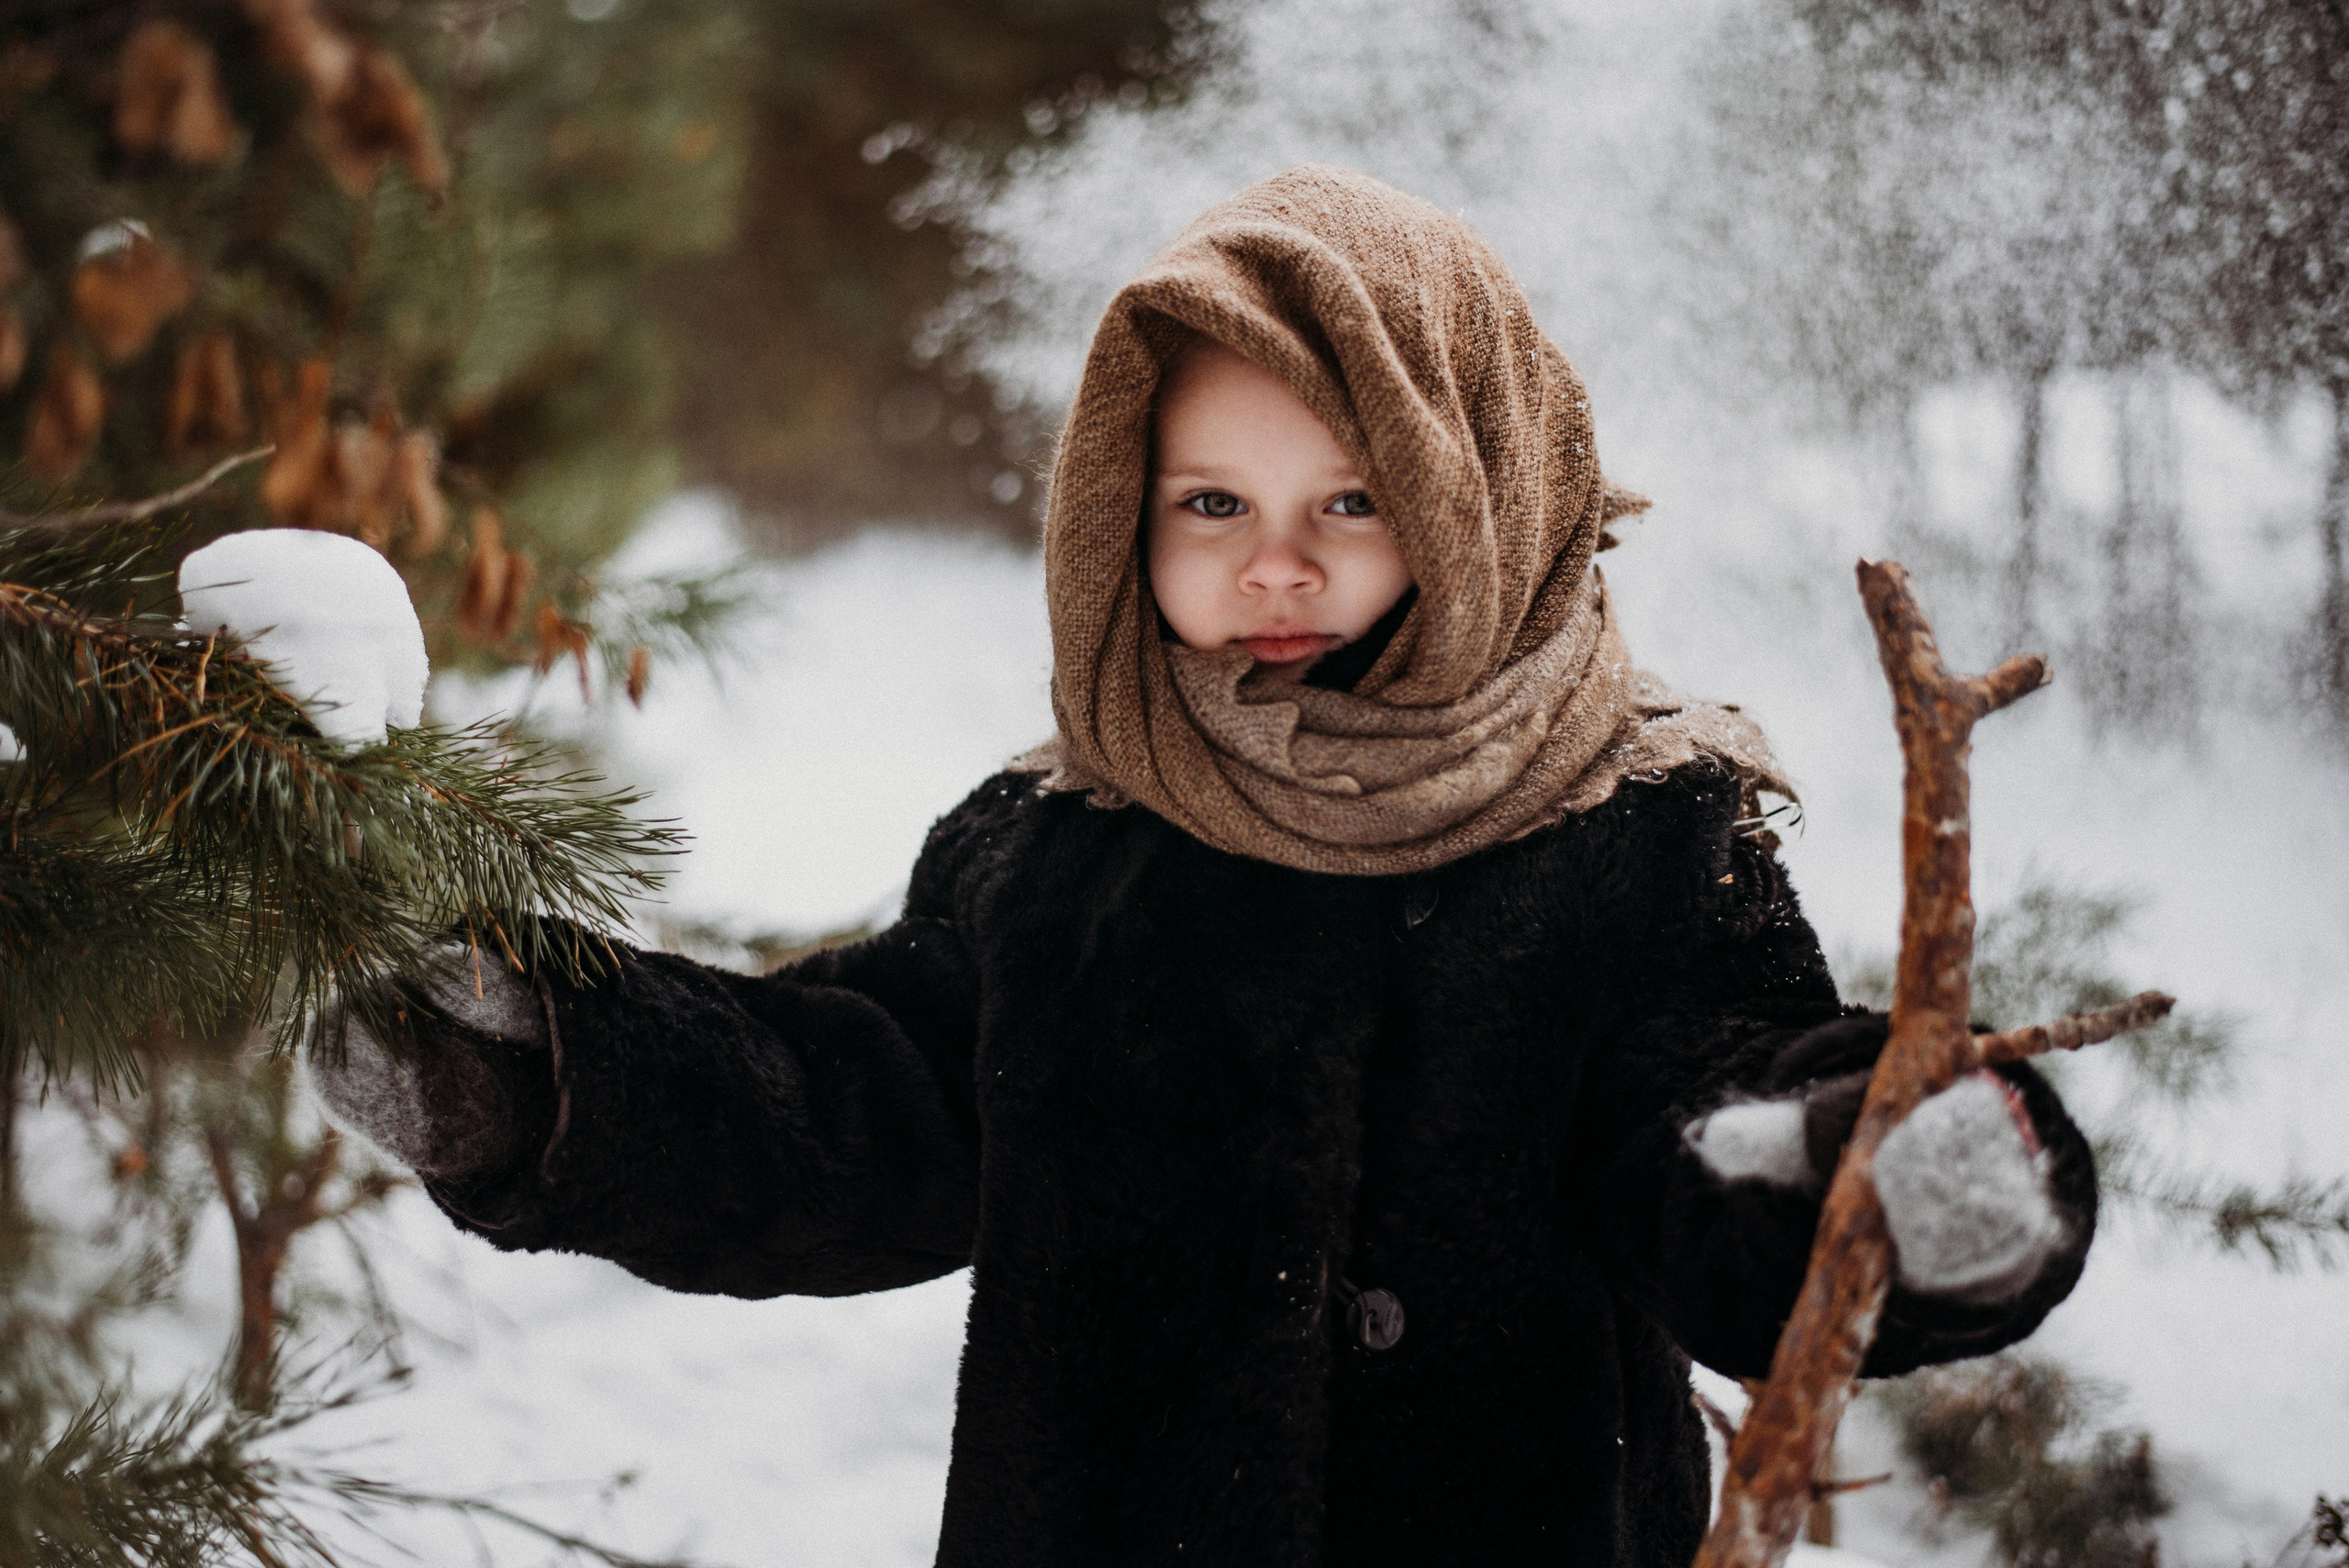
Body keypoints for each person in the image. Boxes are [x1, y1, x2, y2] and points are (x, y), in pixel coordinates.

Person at [314, 166, 2095, 1567]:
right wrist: (546, 1076)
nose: (1274, 567)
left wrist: (1858, 1173)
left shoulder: (1628, 834)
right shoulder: (1066, 849)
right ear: (1119, 509)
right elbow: (858, 1107)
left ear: (1474, 497)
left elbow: (1700, 1133)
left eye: (1352, 501)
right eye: (1210, 504)